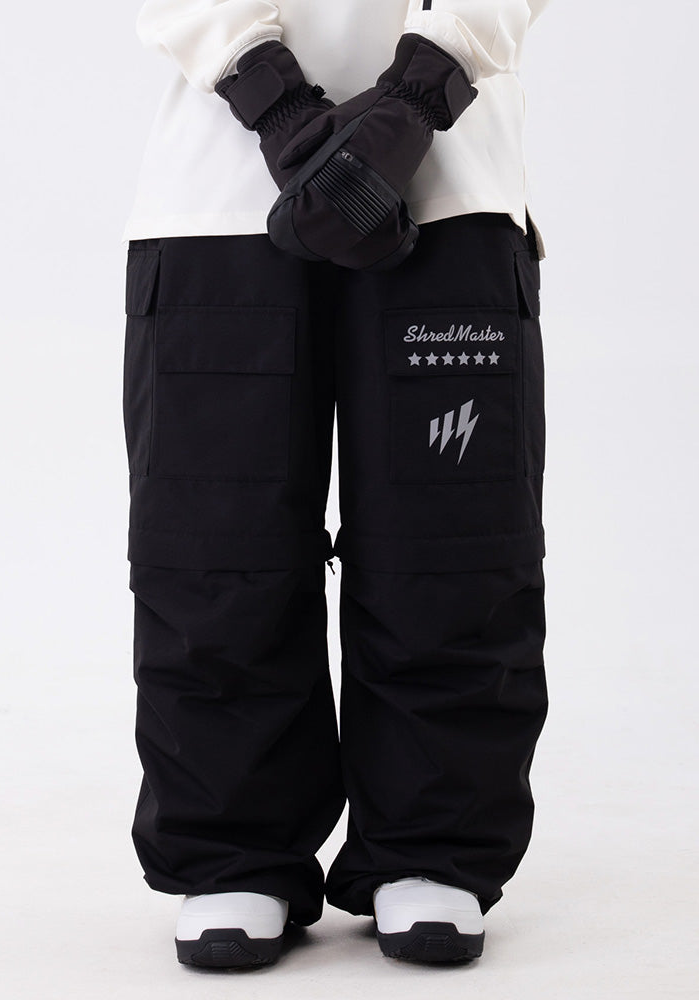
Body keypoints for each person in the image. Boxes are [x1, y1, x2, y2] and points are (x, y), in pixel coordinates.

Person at [121, 0, 550, 970]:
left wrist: (422, 90)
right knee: (216, 544)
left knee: (452, 542)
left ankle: (432, 844)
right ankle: (235, 850)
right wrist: (273, 102)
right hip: (219, 197)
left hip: (451, 185)